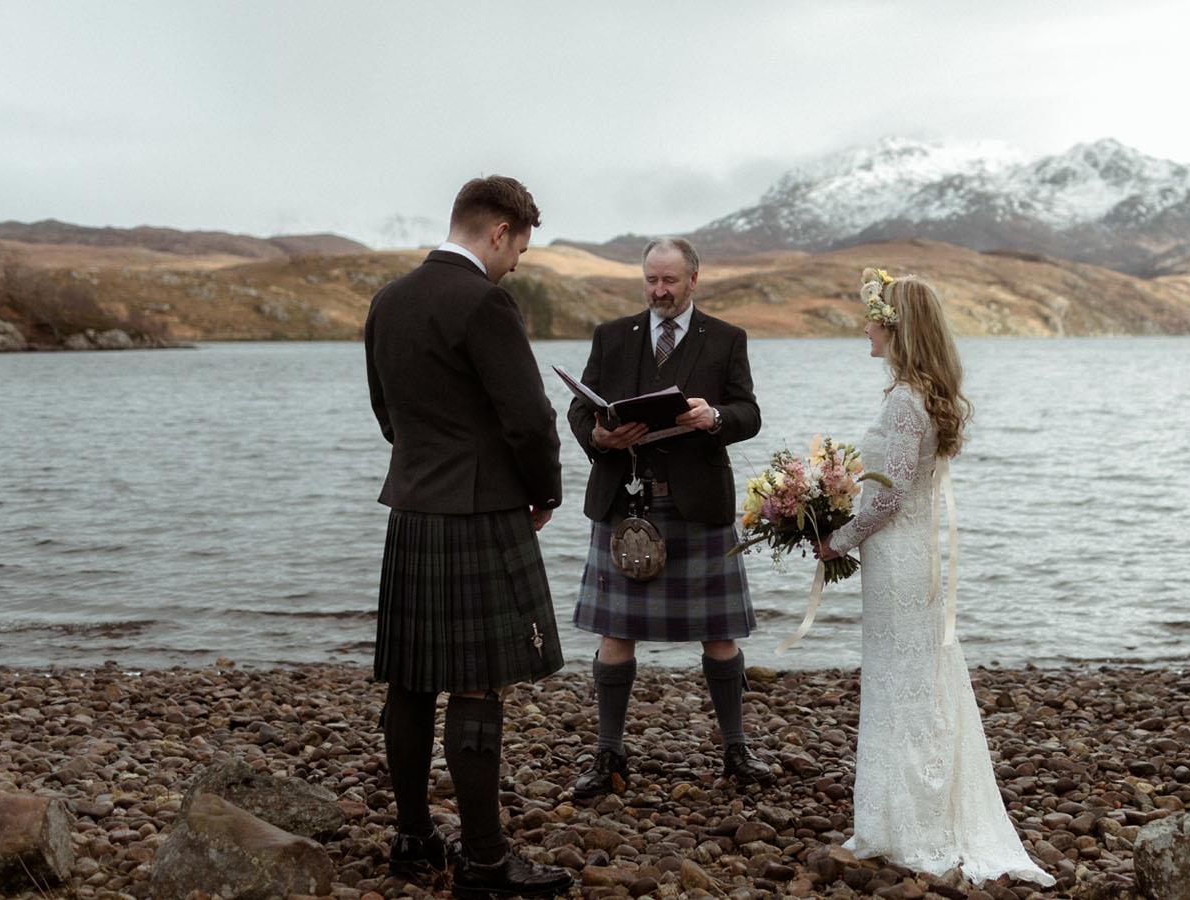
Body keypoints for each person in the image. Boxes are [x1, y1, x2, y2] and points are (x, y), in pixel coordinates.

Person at [364, 175, 573, 898]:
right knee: (478, 684)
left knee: (412, 682)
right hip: (480, 512)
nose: (517, 262)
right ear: (496, 233)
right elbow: (528, 418)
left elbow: (385, 412)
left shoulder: (388, 300)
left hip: (414, 508)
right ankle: (485, 861)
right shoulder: (486, 301)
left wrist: (429, 463)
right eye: (519, 246)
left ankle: (413, 838)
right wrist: (543, 490)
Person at [815, 271, 1055, 887]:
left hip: (897, 559)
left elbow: (888, 500)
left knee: (903, 683)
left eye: (871, 316)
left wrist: (833, 539)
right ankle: (909, 811)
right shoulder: (921, 394)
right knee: (917, 680)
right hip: (910, 556)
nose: (863, 326)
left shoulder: (903, 400)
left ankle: (912, 824)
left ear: (894, 325)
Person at [566, 236, 772, 797]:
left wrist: (715, 417)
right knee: (615, 631)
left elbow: (749, 413)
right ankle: (608, 755)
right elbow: (580, 407)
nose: (659, 291)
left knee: (720, 632)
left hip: (698, 505)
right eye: (651, 281)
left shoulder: (726, 338)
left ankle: (737, 750)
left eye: (669, 282)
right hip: (625, 501)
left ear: (693, 280)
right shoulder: (613, 336)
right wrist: (598, 434)